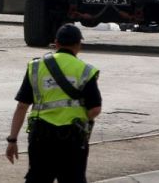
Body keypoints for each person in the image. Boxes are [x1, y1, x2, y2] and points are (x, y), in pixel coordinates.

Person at [6, 24, 102, 183]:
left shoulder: (36, 67)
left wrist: (12, 140)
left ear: (56, 43)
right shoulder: (85, 70)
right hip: (73, 137)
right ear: (79, 45)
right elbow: (95, 109)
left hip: (41, 136)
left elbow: (22, 106)